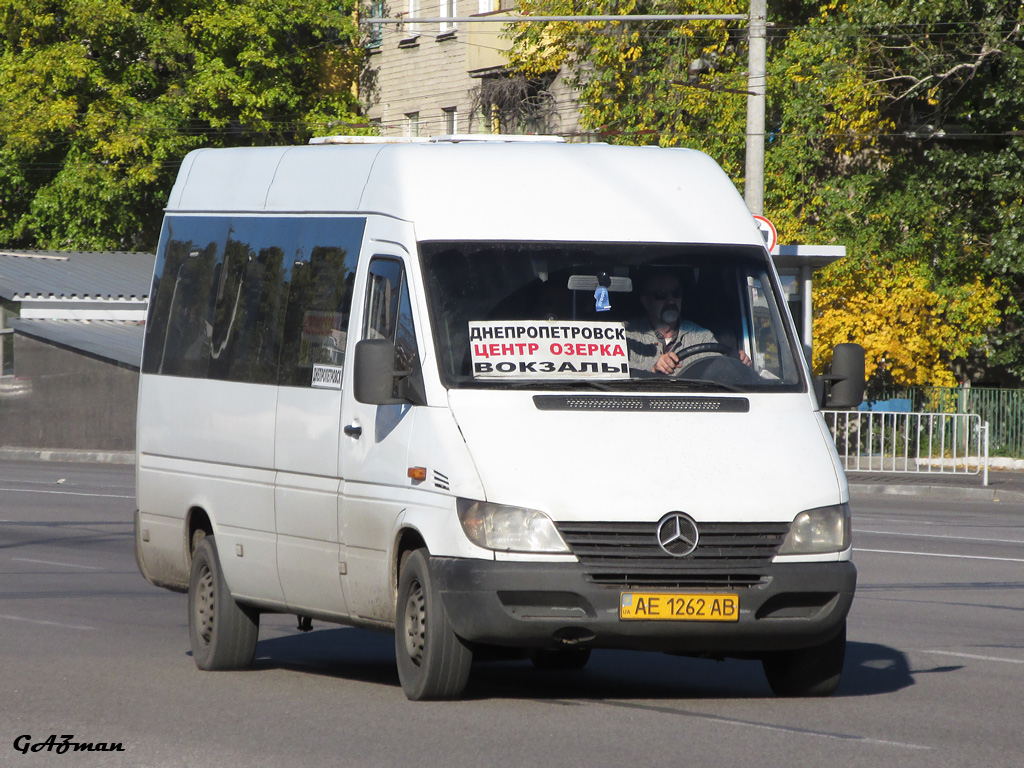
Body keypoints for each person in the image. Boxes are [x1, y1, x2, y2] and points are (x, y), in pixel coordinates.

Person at [625, 269, 749, 376]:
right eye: (661, 295)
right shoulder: (628, 334)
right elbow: (613, 371)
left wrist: (737, 363)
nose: (671, 301)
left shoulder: (702, 336)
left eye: (676, 293)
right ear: (646, 301)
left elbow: (717, 369)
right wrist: (652, 369)